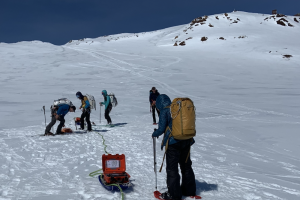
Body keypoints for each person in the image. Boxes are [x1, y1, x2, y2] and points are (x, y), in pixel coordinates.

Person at [152, 94, 196, 200]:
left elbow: (162, 128)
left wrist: (154, 134)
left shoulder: (165, 111)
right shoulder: (176, 108)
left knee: (172, 169)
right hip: (186, 141)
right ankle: (189, 190)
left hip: (173, 143)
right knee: (186, 166)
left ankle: (174, 195)